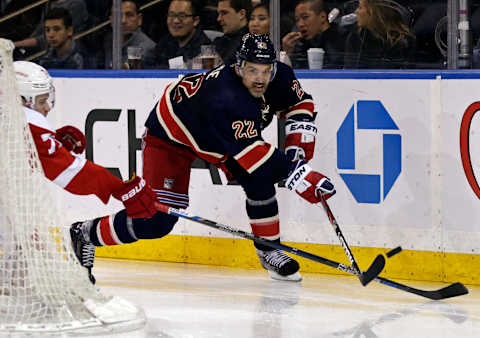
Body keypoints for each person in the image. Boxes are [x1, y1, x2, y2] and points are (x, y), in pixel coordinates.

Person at [70, 34, 336, 283]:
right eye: (253, 70)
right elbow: (257, 157)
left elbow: (300, 105)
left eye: (266, 70)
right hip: (172, 134)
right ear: (239, 66)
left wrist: (297, 149)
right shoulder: (226, 97)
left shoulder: (280, 75)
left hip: (218, 137)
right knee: (156, 221)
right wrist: (300, 175)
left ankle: (269, 251)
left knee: (259, 181)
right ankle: (85, 234)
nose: (260, 78)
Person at [14, 60, 158, 282]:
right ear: (21, 100)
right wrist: (119, 188)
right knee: (21, 244)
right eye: (41, 101)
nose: (47, 107)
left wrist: (53, 145)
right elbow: (72, 173)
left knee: (21, 244)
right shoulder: (27, 122)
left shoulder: (11, 116)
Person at [343, 0, 416, 69]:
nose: (356, 11)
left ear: (375, 13)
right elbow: (349, 73)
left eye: (360, 7)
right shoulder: (355, 39)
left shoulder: (403, 42)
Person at [143, 0, 211, 69]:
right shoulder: (166, 41)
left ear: (195, 21)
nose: (176, 21)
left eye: (182, 16)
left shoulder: (204, 47)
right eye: (171, 15)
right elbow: (148, 65)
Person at [281, 0, 345, 69]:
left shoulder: (343, 40)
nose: (300, 24)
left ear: (322, 17)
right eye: (297, 20)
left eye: (305, 17)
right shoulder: (300, 45)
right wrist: (288, 53)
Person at [14, 0, 90, 52]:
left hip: (70, 52)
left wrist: (17, 44)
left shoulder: (77, 4)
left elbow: (49, 37)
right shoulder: (49, 4)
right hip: (49, 51)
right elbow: (40, 30)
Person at [100, 0, 155, 69]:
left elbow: (124, 73)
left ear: (139, 19)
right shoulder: (107, 42)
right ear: (111, 20)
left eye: (129, 15)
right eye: (118, 15)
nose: (123, 21)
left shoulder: (147, 47)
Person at [213, 0, 251, 65]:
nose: (218, 19)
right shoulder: (220, 41)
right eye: (219, 14)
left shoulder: (252, 43)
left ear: (241, 14)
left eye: (224, 13)